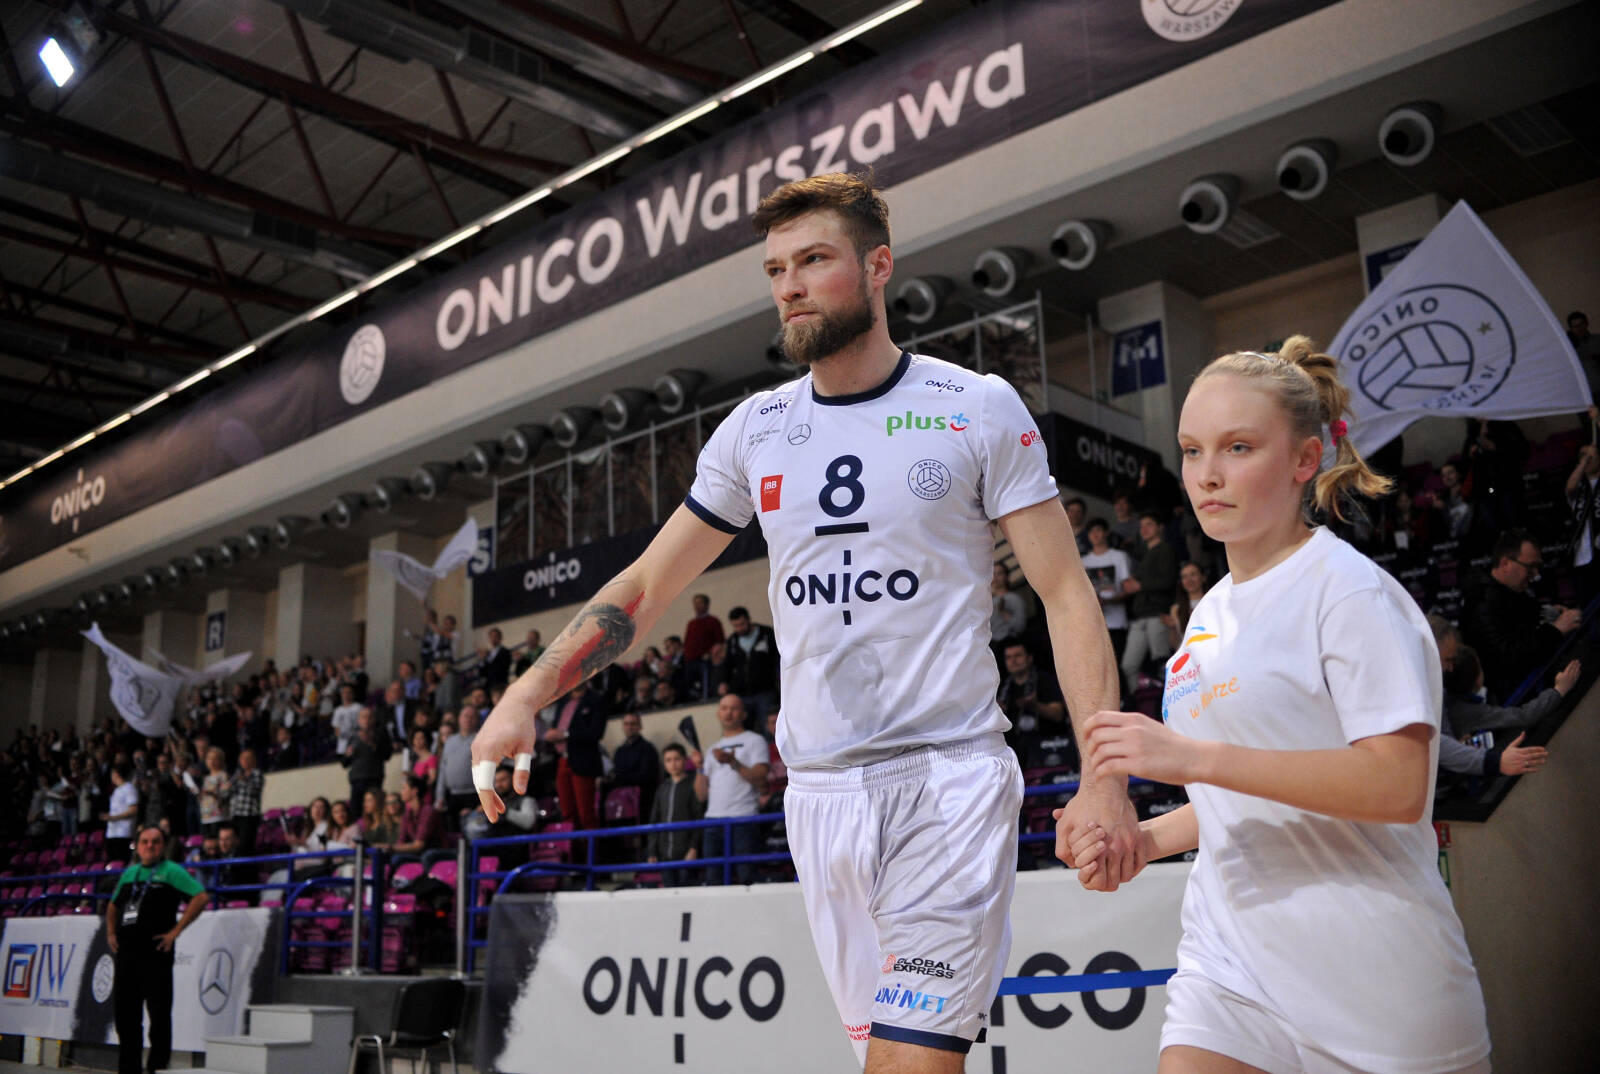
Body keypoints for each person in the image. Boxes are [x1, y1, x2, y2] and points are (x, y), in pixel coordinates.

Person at [473, 172, 1126, 1071]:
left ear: (878, 266)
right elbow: (649, 586)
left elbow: (1067, 594)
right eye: (776, 268)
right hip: (818, 796)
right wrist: (526, 693)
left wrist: (1104, 776)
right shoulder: (757, 429)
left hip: (948, 780)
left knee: (906, 1063)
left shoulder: (974, 405)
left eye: (814, 259)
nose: (790, 285)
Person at [1070, 335, 1490, 1074]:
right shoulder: (1206, 613)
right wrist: (1145, 840)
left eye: (1237, 448)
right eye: (1192, 451)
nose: (1207, 474)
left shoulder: (1350, 594)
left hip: (1375, 979)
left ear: (1304, 460)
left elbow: (1397, 787)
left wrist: (1196, 758)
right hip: (1230, 967)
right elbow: (1242, 795)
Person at [106, 826, 208, 1074]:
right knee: (126, 1018)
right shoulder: (130, 873)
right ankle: (129, 1069)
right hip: (127, 955)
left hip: (156, 955)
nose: (150, 846)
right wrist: (110, 932)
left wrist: (176, 931)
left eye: (155, 842)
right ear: (137, 846)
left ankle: (157, 1068)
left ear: (162, 846)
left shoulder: (172, 871)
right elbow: (112, 905)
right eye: (145, 841)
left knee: (159, 1017)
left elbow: (200, 897)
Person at [1461, 530, 1581, 700]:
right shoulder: (1482, 602)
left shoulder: (1511, 592)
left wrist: (1549, 614)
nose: (1536, 574)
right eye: (1530, 567)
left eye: (1538, 567)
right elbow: (1507, 658)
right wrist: (1555, 630)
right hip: (1512, 700)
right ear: (1505, 563)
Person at [691, 694, 769, 884]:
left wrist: (733, 762)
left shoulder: (755, 740)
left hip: (744, 817)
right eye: (724, 708)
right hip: (713, 821)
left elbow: (761, 777)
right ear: (718, 713)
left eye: (734, 708)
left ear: (743, 714)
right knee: (713, 879)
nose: (728, 713)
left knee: (747, 877)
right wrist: (699, 768)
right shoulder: (712, 748)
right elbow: (701, 795)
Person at [1442, 644, 1579, 739]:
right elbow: (1523, 716)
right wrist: (1559, 690)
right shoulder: (1469, 712)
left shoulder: (1445, 701)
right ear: (1477, 678)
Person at [1119, 511, 1177, 694]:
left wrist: (1139, 585)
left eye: (1149, 524)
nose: (1144, 529)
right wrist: (1133, 584)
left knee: (1161, 661)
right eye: (1141, 526)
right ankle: (1142, 703)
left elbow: (1168, 581)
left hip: (1158, 613)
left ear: (1160, 527)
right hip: (1140, 614)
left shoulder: (1165, 549)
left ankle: (1168, 704)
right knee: (1129, 665)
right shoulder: (1145, 553)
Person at [996, 641, 1072, 770]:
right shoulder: (1002, 686)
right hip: (1013, 754)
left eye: (1018, 655)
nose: (1013, 660)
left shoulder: (1044, 680)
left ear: (1029, 658)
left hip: (1047, 750)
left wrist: (1036, 706)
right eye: (1008, 657)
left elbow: (1059, 714)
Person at [546, 682, 608, 830]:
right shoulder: (563, 701)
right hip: (562, 759)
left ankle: (590, 845)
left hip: (583, 761)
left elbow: (596, 732)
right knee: (567, 812)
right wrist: (551, 735)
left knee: (585, 813)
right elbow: (556, 726)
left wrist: (565, 735)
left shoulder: (596, 699)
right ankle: (572, 845)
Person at [645, 743, 703, 886]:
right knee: (669, 891)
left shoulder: (693, 785)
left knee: (687, 890)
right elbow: (654, 820)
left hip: (686, 853)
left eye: (677, 759)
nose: (673, 764)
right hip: (665, 854)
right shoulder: (662, 788)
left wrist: (694, 848)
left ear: (685, 760)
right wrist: (652, 851)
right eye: (668, 760)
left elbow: (699, 818)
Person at [1080, 518, 1132, 656]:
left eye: (1098, 530)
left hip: (1117, 622)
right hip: (1092, 623)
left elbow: (1128, 588)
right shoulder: (1083, 562)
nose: (1095, 534)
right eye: (1091, 532)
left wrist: (1108, 601)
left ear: (1106, 533)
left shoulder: (1120, 556)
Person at [724, 606, 780, 717]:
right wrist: (723, 682)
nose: (740, 628)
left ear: (748, 619)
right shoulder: (732, 641)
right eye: (736, 626)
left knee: (767, 722)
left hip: (766, 690)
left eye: (742, 624)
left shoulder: (766, 634)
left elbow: (777, 658)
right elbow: (728, 664)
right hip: (741, 693)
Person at [435, 705, 481, 831]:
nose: (468, 719)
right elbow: (443, 770)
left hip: (474, 795)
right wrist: (440, 796)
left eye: (472, 717)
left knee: (473, 830)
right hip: (452, 796)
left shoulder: (481, 739)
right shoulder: (449, 741)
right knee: (453, 832)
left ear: (477, 720)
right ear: (459, 719)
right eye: (466, 716)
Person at [1565, 443, 1600, 607]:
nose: (1588, 459)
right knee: (1587, 608)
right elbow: (1569, 487)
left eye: (1592, 455)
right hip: (1582, 558)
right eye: (1583, 455)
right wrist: (1585, 460)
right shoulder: (1579, 489)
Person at [340, 708, 391, 809]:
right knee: (356, 810)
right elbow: (344, 763)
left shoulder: (381, 734)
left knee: (376, 807)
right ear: (359, 720)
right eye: (364, 717)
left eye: (369, 717)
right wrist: (347, 755)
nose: (366, 720)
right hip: (356, 779)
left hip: (374, 778)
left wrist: (371, 743)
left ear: (374, 719)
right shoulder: (352, 736)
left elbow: (387, 755)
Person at [609, 711, 660, 806]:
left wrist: (620, 777)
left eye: (633, 724)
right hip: (621, 798)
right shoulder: (619, 751)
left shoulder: (648, 749)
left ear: (640, 727)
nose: (629, 727)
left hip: (641, 798)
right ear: (623, 727)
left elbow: (646, 777)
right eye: (626, 724)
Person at [224, 750, 264, 854]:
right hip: (235, 814)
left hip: (249, 815)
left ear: (254, 760)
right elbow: (227, 793)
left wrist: (244, 780)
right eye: (242, 758)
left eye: (248, 758)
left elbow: (255, 790)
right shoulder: (237, 774)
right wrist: (227, 787)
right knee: (235, 844)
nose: (245, 760)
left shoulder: (257, 773)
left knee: (246, 844)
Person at [1166, 561, 1209, 653]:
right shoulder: (1176, 609)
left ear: (1203, 577)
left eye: (1193, 575)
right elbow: (1176, 644)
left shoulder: (1212, 601)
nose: (1189, 580)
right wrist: (1172, 628)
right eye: (1184, 577)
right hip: (1189, 654)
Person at [392, 775, 442, 855]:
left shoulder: (428, 812)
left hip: (434, 852)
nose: (401, 792)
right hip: (420, 853)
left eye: (404, 788)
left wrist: (390, 848)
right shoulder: (407, 815)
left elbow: (419, 845)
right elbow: (401, 841)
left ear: (414, 791)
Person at [682, 593, 725, 664]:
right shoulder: (691, 623)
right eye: (695, 603)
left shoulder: (713, 621)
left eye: (699, 603)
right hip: (690, 661)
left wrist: (710, 654)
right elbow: (687, 641)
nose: (696, 606)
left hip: (705, 661)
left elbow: (720, 641)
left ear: (707, 605)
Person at [104, 763, 141, 844]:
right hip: (112, 833)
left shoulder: (129, 788)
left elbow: (134, 810)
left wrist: (114, 817)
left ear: (116, 774)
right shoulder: (116, 790)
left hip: (123, 832)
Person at [478, 628, 512, 692]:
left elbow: (503, 668)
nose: (493, 639)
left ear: (500, 638)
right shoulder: (488, 653)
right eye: (491, 637)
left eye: (495, 636)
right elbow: (482, 673)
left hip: (500, 685)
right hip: (489, 685)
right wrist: (482, 660)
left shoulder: (505, 651)